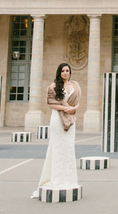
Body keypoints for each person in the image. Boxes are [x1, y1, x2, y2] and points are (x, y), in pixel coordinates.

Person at [32, 62, 81, 199]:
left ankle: (69, 179)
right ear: (59, 72)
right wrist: (66, 109)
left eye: (67, 70)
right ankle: (56, 178)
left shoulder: (75, 85)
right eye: (63, 71)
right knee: (58, 148)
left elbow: (77, 102)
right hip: (57, 120)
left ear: (70, 72)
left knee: (68, 148)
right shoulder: (53, 86)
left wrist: (74, 109)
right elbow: (50, 103)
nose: (65, 73)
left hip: (70, 119)